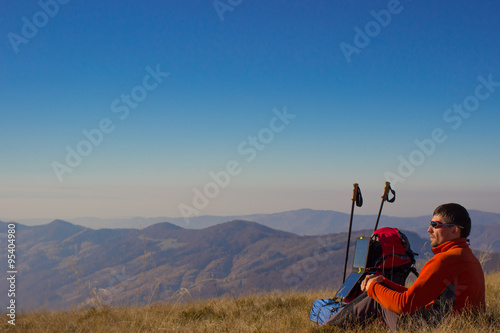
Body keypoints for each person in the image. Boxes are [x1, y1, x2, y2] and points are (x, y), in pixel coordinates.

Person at [325, 203, 486, 331]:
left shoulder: (445, 261)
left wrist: (373, 287)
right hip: (452, 326)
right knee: (380, 289)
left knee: (376, 299)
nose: (429, 229)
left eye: (435, 224)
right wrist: (384, 283)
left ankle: (328, 329)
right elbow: (418, 297)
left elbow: (404, 305)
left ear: (454, 230)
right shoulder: (468, 257)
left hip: (433, 329)